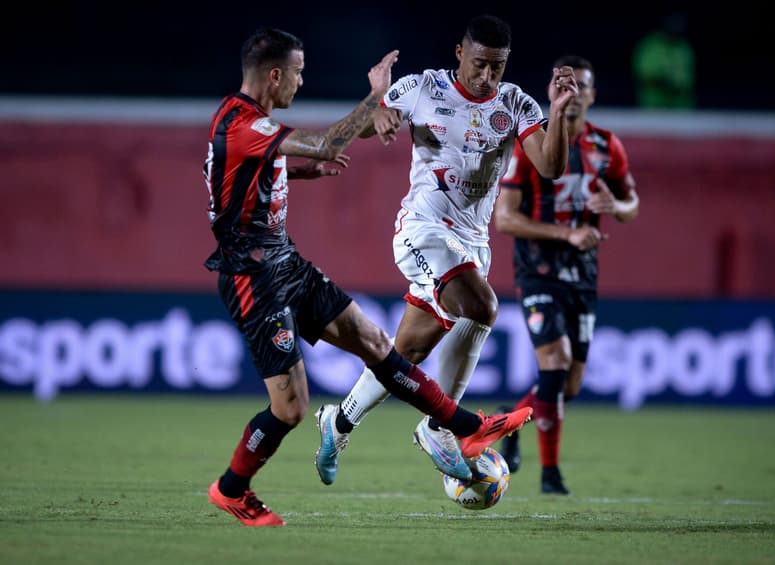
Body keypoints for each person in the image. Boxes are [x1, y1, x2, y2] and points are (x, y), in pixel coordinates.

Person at [202, 27, 533, 527]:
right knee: (290, 409)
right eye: (297, 72)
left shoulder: (247, 125)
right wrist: (376, 96)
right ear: (274, 75)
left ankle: (456, 425)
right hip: (254, 276)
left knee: (378, 344)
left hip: (285, 262)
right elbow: (325, 141)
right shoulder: (242, 124)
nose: (301, 79)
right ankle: (230, 489)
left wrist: (289, 174)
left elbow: (228, 173)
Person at [313, 14, 578, 485]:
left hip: (473, 244)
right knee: (481, 306)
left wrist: (558, 112)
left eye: (496, 67)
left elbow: (551, 167)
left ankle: (339, 421)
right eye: (479, 64)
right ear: (460, 53)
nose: (486, 76)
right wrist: (379, 108)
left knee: (405, 354)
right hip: (422, 229)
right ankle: (441, 426)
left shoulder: (515, 102)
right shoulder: (423, 88)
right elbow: (358, 128)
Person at [495, 55, 640, 494]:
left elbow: (632, 205)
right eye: (566, 85)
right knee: (554, 367)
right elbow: (504, 218)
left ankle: (509, 421)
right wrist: (567, 233)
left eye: (582, 87)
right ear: (552, 91)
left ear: (592, 96)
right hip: (538, 268)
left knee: (568, 385)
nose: (573, 94)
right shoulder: (530, 143)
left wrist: (615, 207)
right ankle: (550, 476)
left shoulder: (605, 146)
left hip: (583, 272)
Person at [632, 12, 695, 109]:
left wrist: (678, 86)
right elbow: (644, 73)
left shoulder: (684, 46)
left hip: (681, 105)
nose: (675, 30)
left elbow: (689, 77)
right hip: (654, 104)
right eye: (672, 26)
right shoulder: (652, 45)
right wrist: (663, 82)